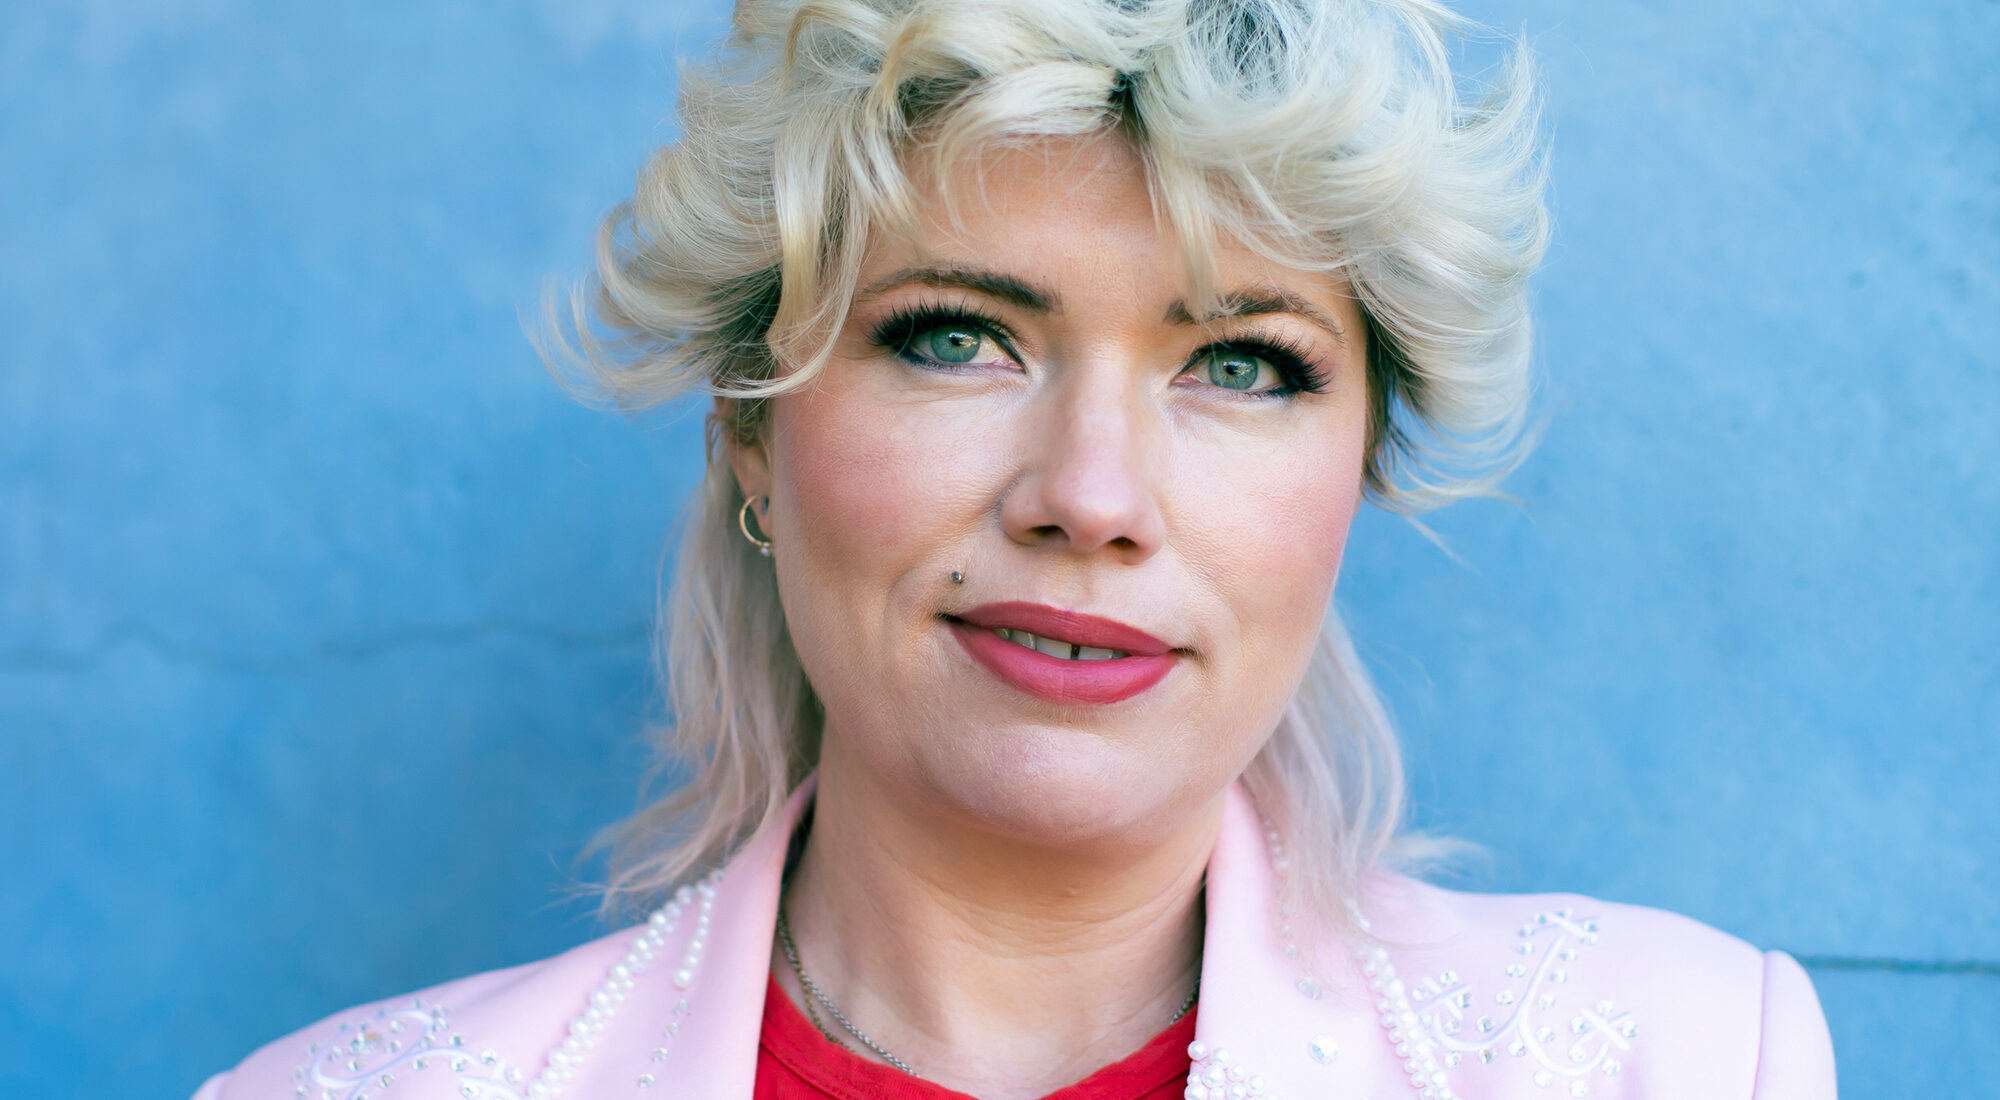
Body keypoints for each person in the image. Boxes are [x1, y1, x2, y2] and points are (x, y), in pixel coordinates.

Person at [194, 0, 1838, 1097]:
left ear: (1358, 470)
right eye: (958, 336)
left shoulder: (1685, 1058)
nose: (1094, 493)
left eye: (1244, 363)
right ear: (752, 427)